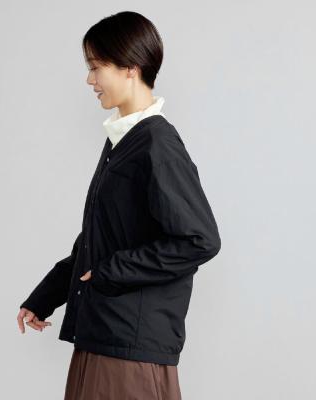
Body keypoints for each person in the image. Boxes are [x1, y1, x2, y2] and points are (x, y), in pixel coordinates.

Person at [17, 11, 221, 400]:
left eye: (97, 67)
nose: (89, 80)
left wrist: (111, 272)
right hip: (104, 340)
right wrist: (46, 296)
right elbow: (99, 240)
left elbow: (199, 240)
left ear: (131, 67)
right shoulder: (122, 141)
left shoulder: (157, 145)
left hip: (128, 352)